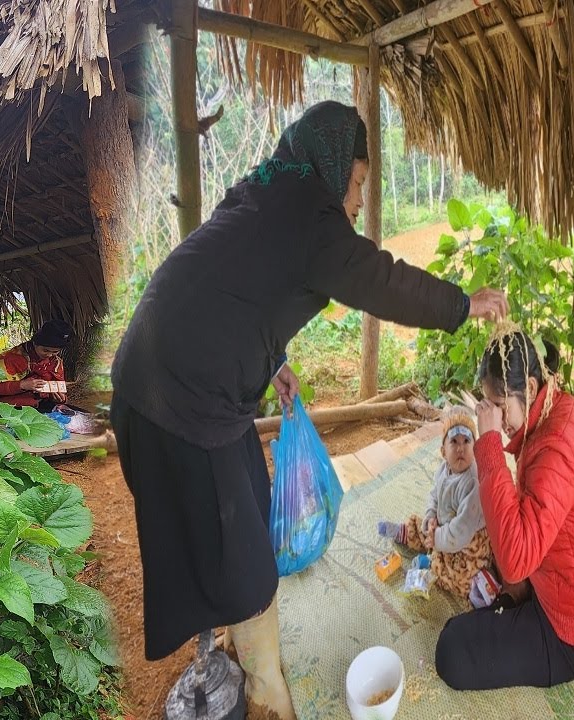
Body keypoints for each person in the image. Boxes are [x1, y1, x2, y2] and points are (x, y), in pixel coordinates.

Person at [110, 100, 509, 720]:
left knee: (237, 512)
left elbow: (231, 287)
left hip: (169, 376)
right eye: (355, 185)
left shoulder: (269, 190)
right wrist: (463, 304)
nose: (356, 202)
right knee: (238, 556)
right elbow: (379, 280)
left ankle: (238, 658)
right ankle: (265, 692)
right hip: (179, 399)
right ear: (330, 168)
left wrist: (270, 360)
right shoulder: (311, 216)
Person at [435, 330, 574, 690]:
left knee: (450, 650)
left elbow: (518, 559)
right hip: (559, 581)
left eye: (499, 405)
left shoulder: (555, 448)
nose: (494, 418)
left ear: (531, 388)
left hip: (568, 630)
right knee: (491, 555)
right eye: (488, 404)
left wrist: (488, 444)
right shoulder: (555, 406)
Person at [377, 406, 492, 598]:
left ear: (476, 449)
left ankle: (433, 565)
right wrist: (431, 517)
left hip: (467, 541)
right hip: (445, 528)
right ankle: (405, 532)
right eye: (453, 442)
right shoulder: (443, 470)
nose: (460, 448)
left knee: (462, 577)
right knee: (424, 527)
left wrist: (437, 539)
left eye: (466, 441)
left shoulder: (472, 482)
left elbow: (462, 529)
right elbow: (434, 495)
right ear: (443, 452)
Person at [0, 319, 72, 412]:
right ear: (35, 343)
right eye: (45, 350)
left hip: (43, 408)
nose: (49, 355)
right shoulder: (9, 359)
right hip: (10, 409)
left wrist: (61, 399)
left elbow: (60, 393)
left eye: (55, 352)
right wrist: (21, 385)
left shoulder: (56, 362)